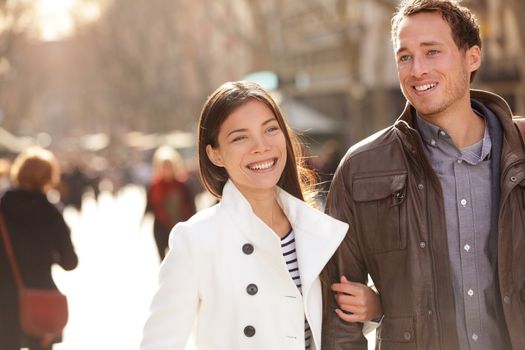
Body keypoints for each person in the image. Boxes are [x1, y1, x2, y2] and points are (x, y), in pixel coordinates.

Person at [322, 0, 525, 349]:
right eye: (405, 56)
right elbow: (337, 314)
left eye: (432, 52)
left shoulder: (519, 151)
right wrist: (386, 304)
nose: (417, 69)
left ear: (472, 57)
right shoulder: (361, 169)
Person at [140, 81, 381, 349]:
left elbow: (331, 326)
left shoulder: (316, 227)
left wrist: (374, 307)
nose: (261, 146)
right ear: (215, 154)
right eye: (240, 137)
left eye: (270, 129)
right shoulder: (196, 239)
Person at [0, 147, 78, 350]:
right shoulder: (53, 212)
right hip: (41, 297)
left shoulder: (2, 207)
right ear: (49, 177)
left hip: (4, 298)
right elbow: (70, 262)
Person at [145, 145, 196, 261]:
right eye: (163, 166)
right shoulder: (154, 186)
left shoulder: (183, 186)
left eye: (169, 166)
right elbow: (149, 206)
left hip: (180, 228)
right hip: (160, 228)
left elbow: (192, 208)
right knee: (163, 261)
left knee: (180, 260)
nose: (166, 169)